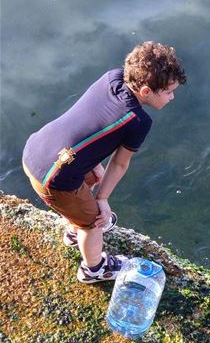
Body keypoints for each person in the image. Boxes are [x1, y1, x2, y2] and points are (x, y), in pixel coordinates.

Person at [22, 41, 186, 283]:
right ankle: (94, 268)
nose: (172, 97)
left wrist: (93, 166)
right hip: (52, 178)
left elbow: (90, 122)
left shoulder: (113, 77)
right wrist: (102, 200)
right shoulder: (138, 121)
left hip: (36, 149)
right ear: (146, 92)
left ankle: (75, 220)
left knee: (94, 175)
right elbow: (119, 164)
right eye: (169, 91)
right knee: (94, 223)